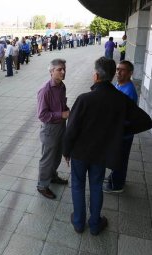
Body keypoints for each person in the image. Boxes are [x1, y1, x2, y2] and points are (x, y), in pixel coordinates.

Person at [63, 57, 152, 235]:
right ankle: (95, 224)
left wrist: (66, 151)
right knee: (96, 186)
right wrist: (119, 131)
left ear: (96, 75)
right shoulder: (120, 99)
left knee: (78, 185)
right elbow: (145, 121)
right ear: (112, 76)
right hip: (101, 153)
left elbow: (71, 129)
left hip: (80, 153)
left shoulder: (84, 99)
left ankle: (79, 223)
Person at [37, 59, 70, 199]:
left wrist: (67, 110)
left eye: (64, 69)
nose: (63, 72)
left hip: (61, 126)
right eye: (59, 69)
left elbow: (62, 104)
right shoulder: (45, 90)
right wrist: (61, 114)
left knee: (57, 156)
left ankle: (52, 176)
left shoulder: (61, 86)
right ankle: (42, 186)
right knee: (47, 159)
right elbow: (42, 115)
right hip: (50, 129)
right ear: (51, 72)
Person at [104, 60, 138, 193]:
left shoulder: (129, 91)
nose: (118, 72)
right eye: (117, 69)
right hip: (117, 130)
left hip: (123, 132)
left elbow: (126, 117)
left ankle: (117, 185)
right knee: (116, 156)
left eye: (122, 70)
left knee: (120, 158)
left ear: (130, 73)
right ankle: (115, 177)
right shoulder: (118, 84)